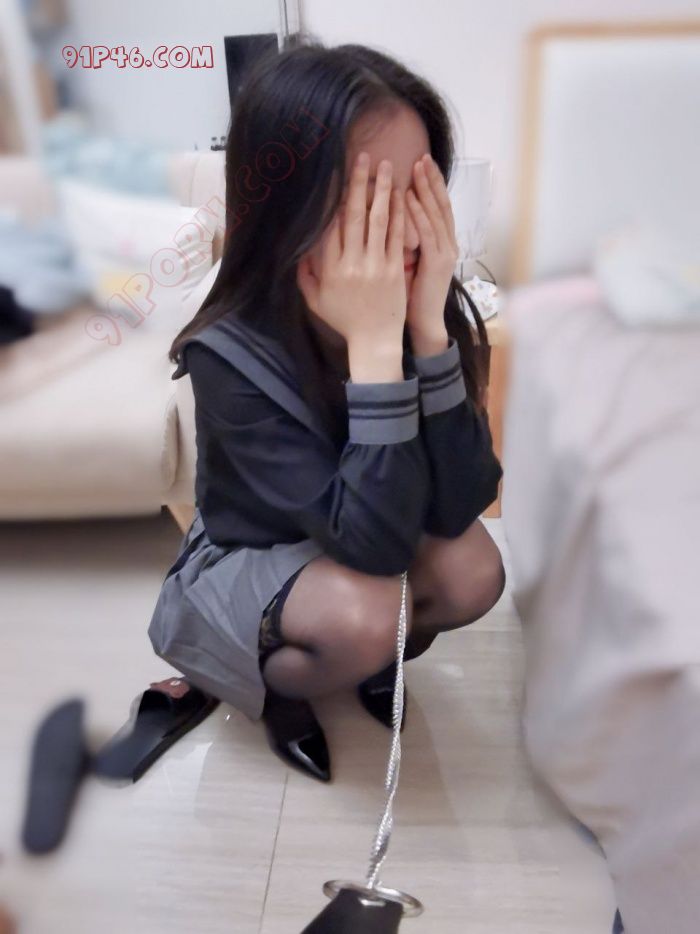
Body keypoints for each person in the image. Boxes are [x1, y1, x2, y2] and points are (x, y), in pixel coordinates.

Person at [147, 37, 505, 782]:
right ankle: (281, 691)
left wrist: (427, 330)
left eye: (419, 189)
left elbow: (463, 499)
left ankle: (371, 662)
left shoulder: (420, 298)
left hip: (368, 527)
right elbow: (370, 549)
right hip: (261, 552)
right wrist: (374, 348)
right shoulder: (229, 353)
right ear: (288, 208)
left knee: (473, 569)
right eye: (368, 199)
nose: (402, 229)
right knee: (366, 613)